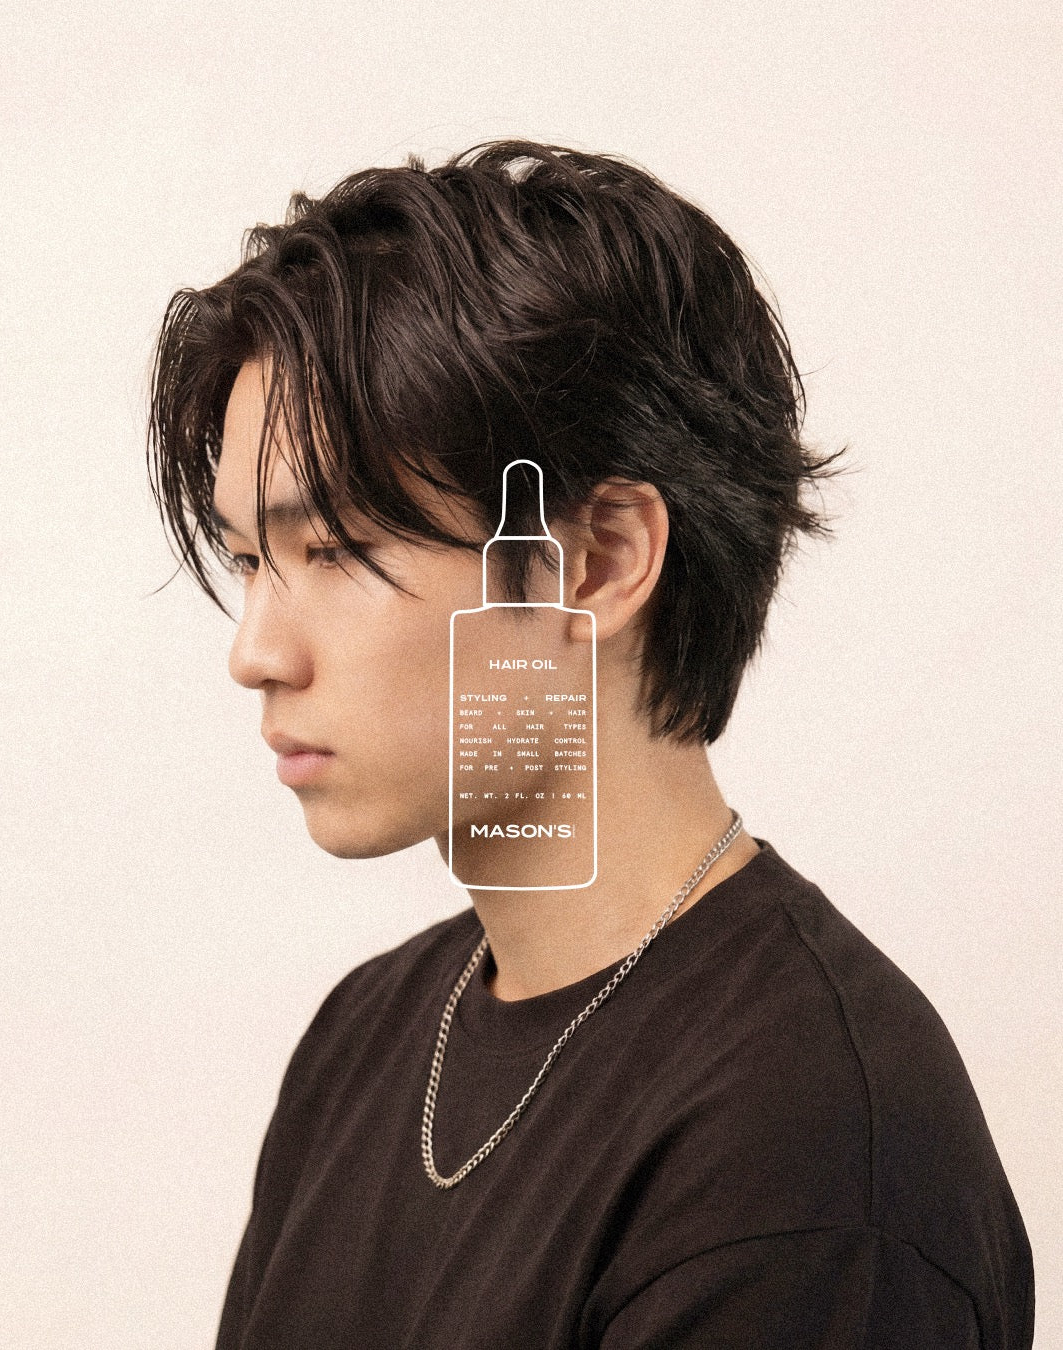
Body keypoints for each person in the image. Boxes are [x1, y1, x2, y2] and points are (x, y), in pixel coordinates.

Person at [147, 139, 1034, 1348]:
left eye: (338, 550)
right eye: (250, 559)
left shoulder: (800, 1149)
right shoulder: (368, 1035)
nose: (256, 651)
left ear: (599, 562)